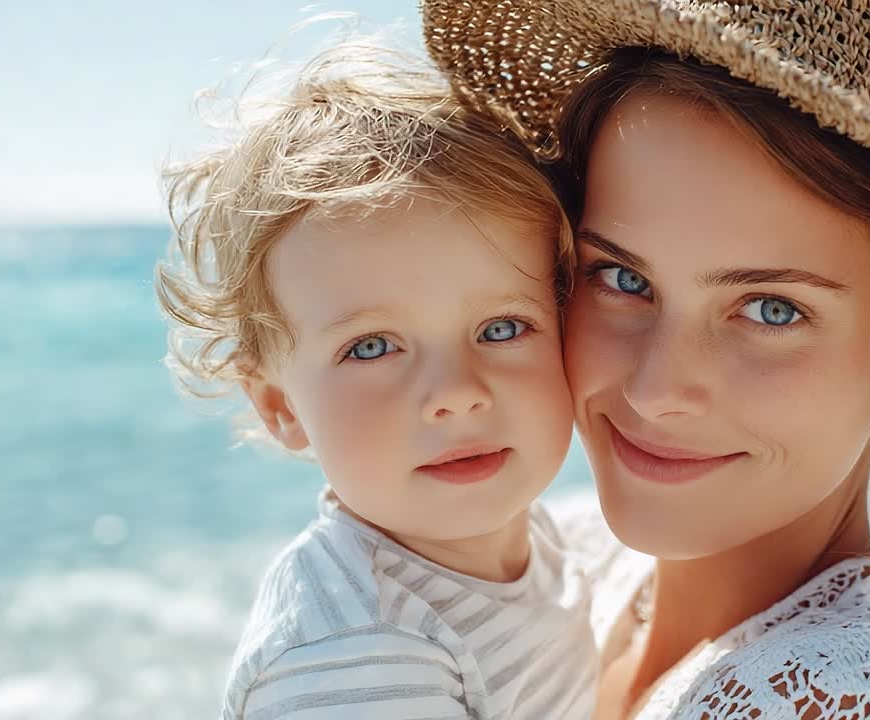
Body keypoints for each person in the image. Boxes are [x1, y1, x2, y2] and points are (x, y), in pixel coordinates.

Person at [423, 1, 870, 718]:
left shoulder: (842, 698)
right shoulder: (563, 573)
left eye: (772, 310)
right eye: (624, 278)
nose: (657, 388)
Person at [156, 41, 595, 719]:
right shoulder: (355, 657)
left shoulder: (541, 538)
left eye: (502, 328)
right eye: (371, 348)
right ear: (280, 406)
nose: (456, 392)